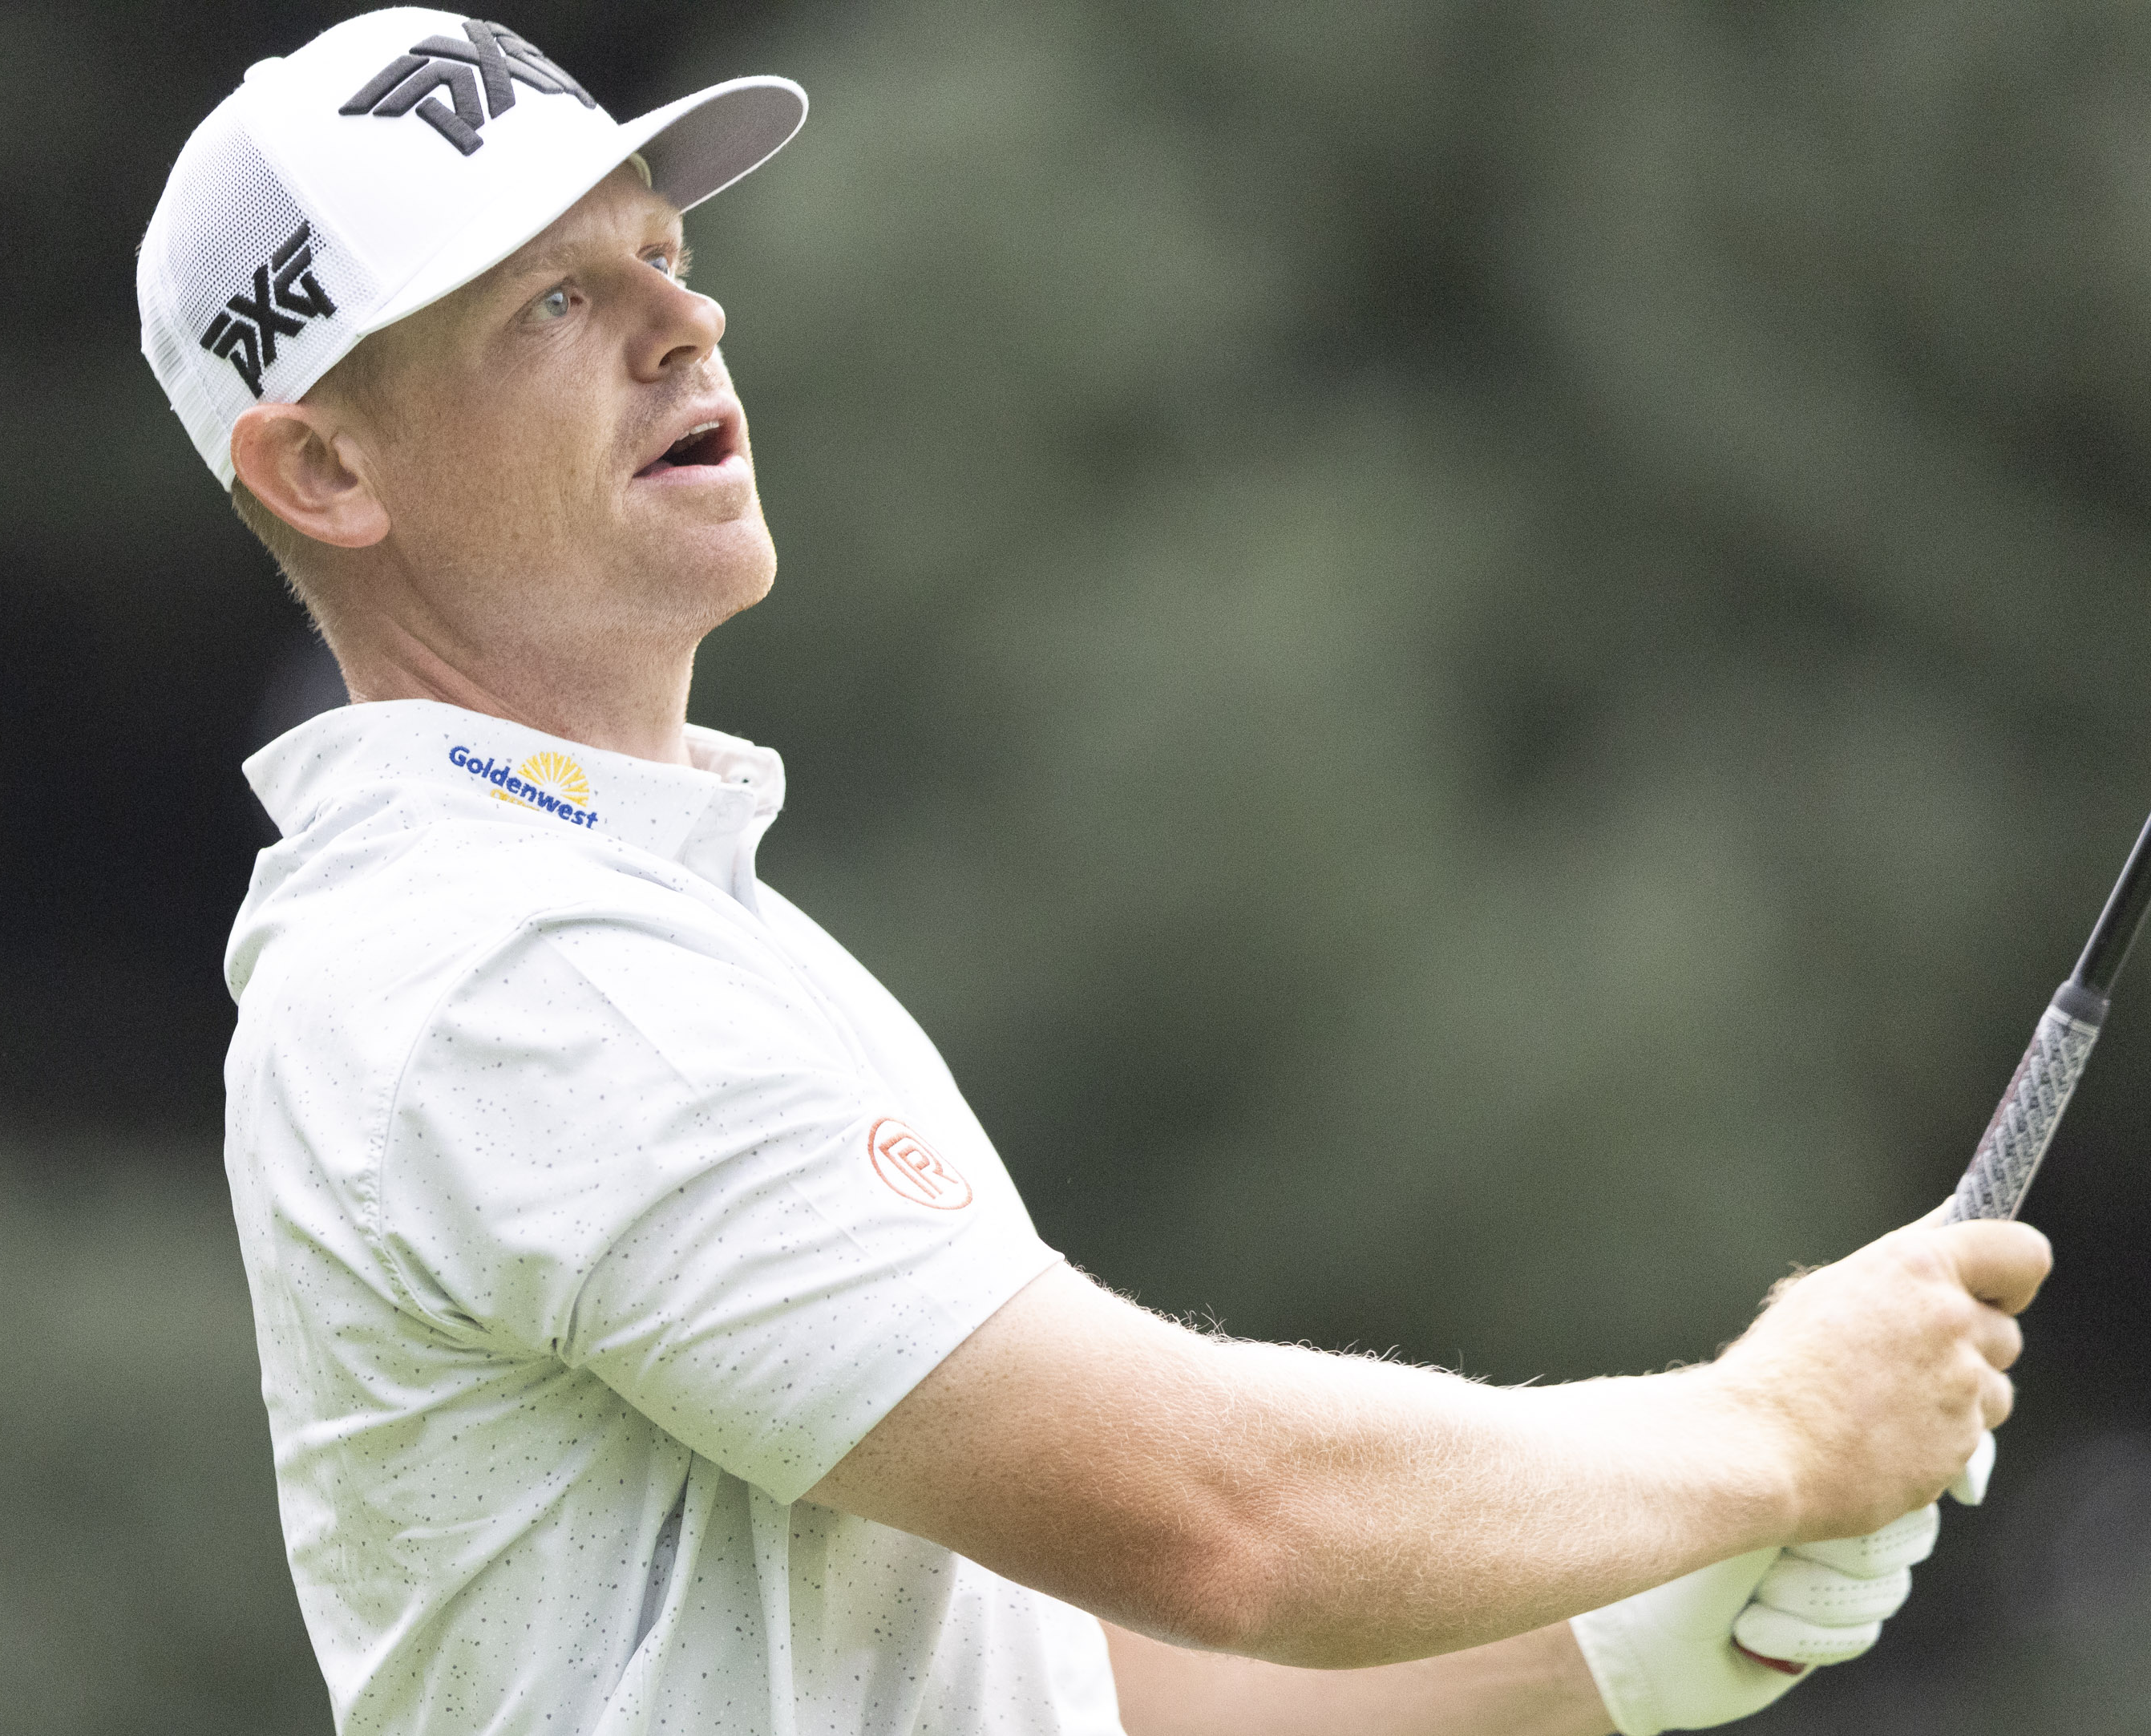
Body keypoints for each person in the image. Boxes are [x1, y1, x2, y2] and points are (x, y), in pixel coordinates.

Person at [137, 11, 2051, 1735]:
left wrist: (1621, 1643)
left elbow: (1071, 1680)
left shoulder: (663, 927)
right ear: (326, 473)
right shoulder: (503, 977)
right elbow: (1216, 1521)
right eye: (550, 302)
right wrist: (1765, 1431)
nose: (682, 324)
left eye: (664, 253)